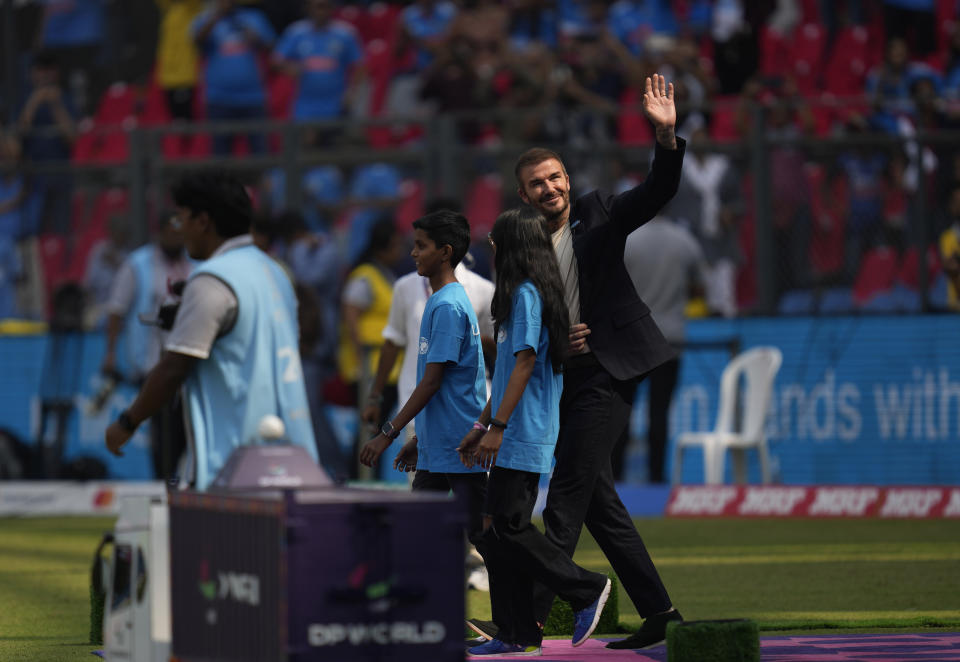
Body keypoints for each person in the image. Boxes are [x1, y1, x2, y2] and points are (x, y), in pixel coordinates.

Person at [474, 73, 684, 650]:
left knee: (566, 492)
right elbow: (529, 330)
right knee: (597, 502)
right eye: (537, 184)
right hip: (561, 378)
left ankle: (528, 624)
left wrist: (664, 138)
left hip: (610, 370)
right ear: (523, 195)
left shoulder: (599, 213)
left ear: (569, 180)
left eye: (556, 177)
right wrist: (556, 344)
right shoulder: (523, 246)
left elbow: (656, 192)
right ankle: (662, 613)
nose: (550, 189)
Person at [458, 208, 611, 657]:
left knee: (506, 527)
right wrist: (481, 424)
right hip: (508, 426)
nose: (490, 247)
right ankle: (515, 631)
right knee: (492, 532)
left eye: (495, 241)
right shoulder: (516, 299)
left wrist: (498, 427)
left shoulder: (526, 296)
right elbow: (507, 372)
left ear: (511, 247)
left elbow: (525, 365)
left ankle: (584, 588)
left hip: (523, 429)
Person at [104, 172, 319, 490]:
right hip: (295, 455)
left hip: (235, 461)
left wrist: (127, 421)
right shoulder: (276, 271)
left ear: (203, 221)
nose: (181, 231)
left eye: (182, 220)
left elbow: (175, 367)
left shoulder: (213, 278)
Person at [358, 210, 487, 543]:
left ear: (445, 252)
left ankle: (570, 586)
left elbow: (432, 382)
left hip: (457, 444)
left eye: (421, 245)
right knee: (417, 530)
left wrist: (388, 433)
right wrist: (420, 440)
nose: (413, 253)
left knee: (486, 537)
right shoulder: (441, 299)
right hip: (440, 443)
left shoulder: (447, 306)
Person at [101, 214, 192, 479]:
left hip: (191, 366)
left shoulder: (195, 263)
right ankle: (164, 483)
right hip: (153, 364)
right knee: (164, 436)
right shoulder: (138, 264)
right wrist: (110, 353)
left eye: (180, 233)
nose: (176, 239)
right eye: (171, 233)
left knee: (189, 434)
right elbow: (116, 309)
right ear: (159, 233)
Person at [620, 215, 706, 483]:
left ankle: (616, 476)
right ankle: (656, 477)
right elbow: (701, 287)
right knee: (660, 411)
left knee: (622, 409)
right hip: (669, 336)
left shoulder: (628, 241)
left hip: (632, 337)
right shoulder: (685, 241)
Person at [191, 0, 275, 155]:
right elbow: (197, 42)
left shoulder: (254, 17)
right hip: (219, 99)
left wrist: (255, 37)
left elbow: (271, 46)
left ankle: (261, 179)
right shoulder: (205, 18)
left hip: (253, 98)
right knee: (221, 156)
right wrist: (216, 17)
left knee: (261, 153)